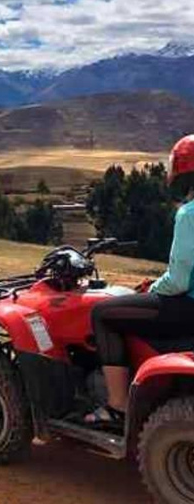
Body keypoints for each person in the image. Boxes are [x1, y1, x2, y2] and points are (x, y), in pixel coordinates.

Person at [86, 135, 194, 428]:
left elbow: (180, 279)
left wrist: (154, 288)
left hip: (188, 307)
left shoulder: (189, 213)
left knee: (102, 314)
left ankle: (117, 406)